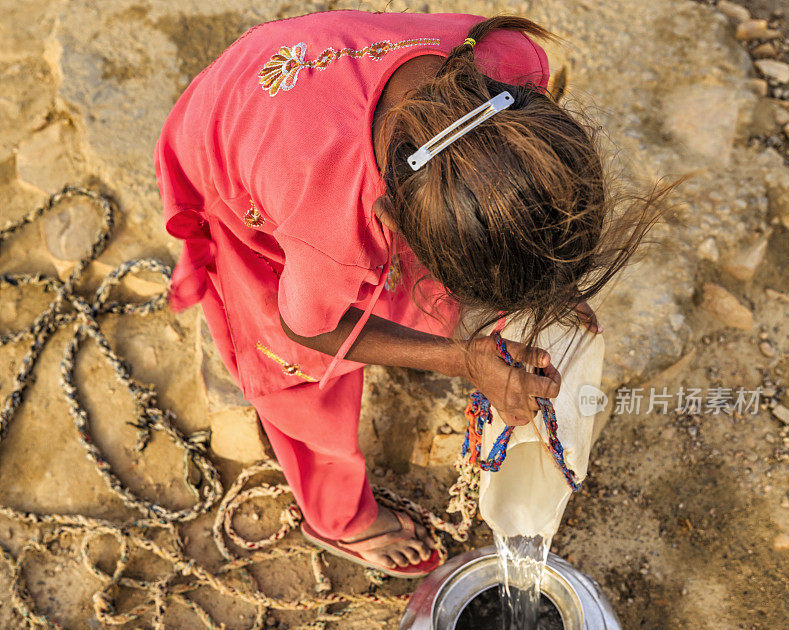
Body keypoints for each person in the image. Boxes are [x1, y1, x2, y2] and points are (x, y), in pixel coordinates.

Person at [155, 10, 671, 577]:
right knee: (297, 375)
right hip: (232, 142)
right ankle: (339, 518)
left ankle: (453, 285)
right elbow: (308, 327)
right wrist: (461, 360)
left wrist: (547, 280)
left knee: (442, 262)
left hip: (309, 93)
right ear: (387, 222)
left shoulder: (509, 62)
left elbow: (502, 193)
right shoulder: (329, 224)